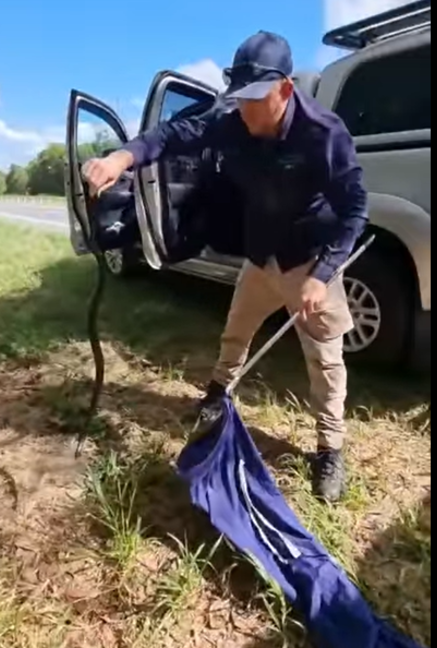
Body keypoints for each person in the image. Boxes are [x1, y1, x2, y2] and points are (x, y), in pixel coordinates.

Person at [83, 31, 368, 502]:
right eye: (241, 99)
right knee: (236, 332)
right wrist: (122, 156)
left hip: (309, 261)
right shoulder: (233, 120)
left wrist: (322, 276)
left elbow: (355, 209)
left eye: (257, 100)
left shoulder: (324, 133)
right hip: (260, 256)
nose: (247, 111)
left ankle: (329, 448)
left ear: (285, 89)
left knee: (325, 359)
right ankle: (217, 395)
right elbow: (175, 134)